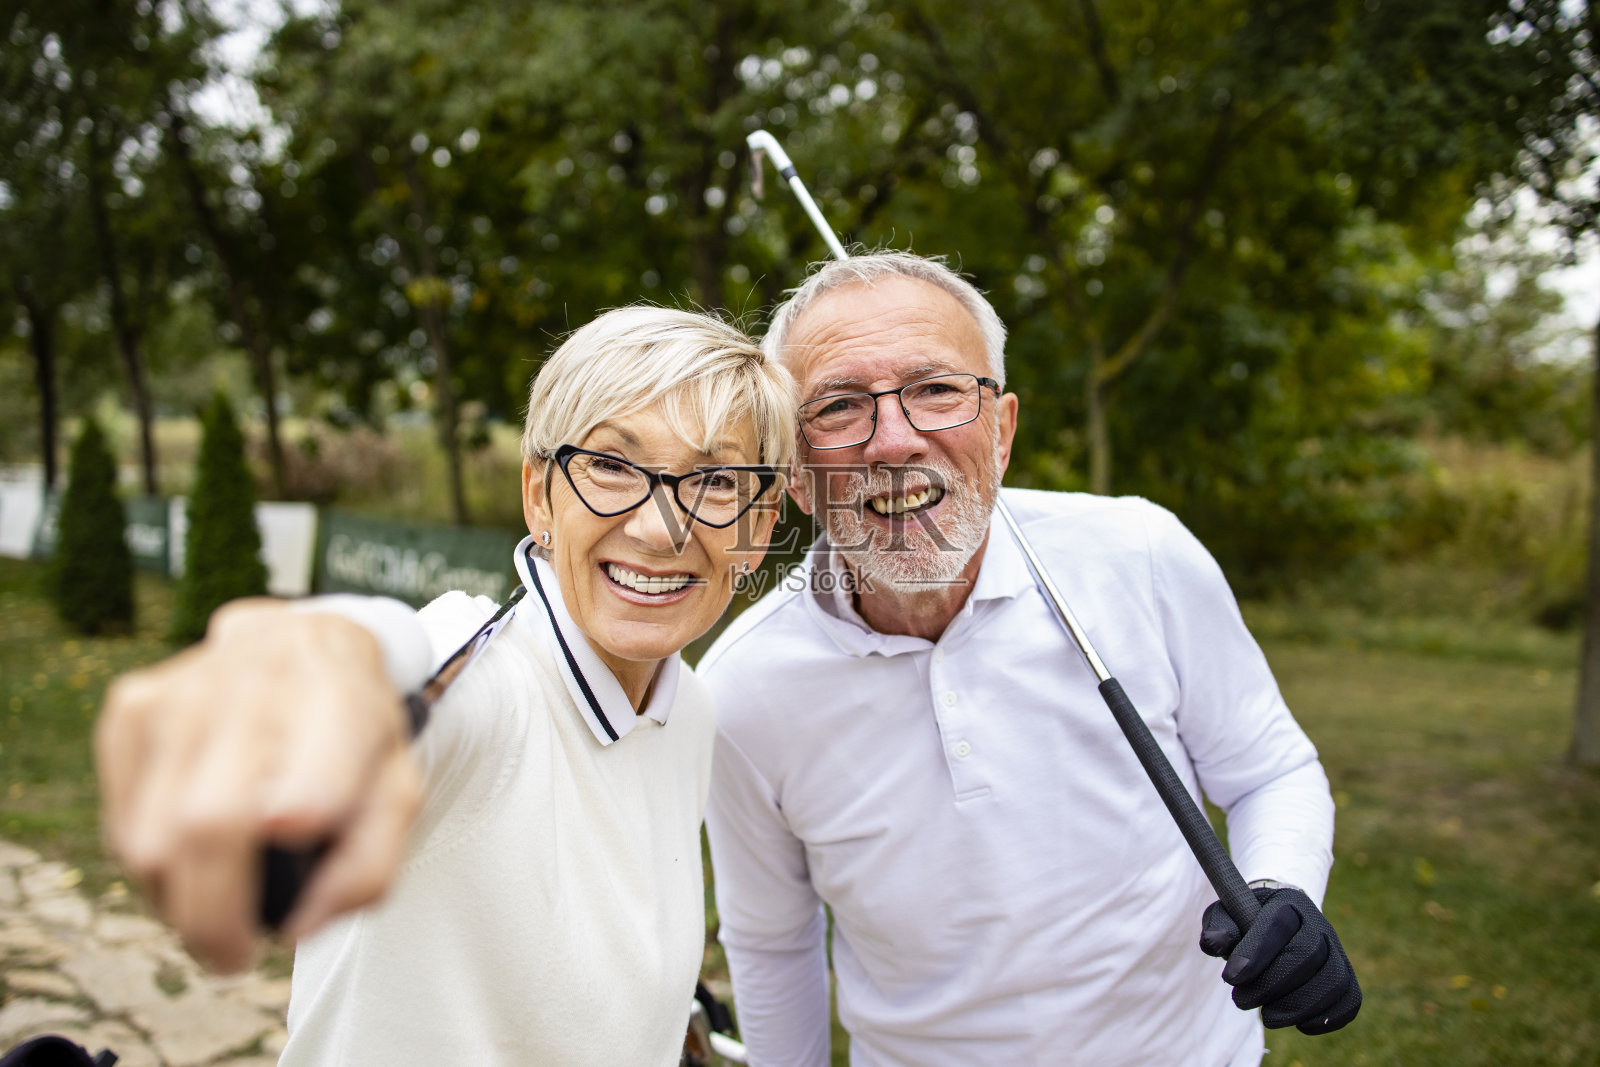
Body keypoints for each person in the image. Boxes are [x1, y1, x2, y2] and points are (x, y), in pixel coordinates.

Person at [699, 252, 1360, 1066]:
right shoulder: (740, 687)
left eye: (936, 389)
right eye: (838, 406)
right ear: (795, 474)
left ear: (1004, 428)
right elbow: (772, 942)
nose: (896, 441)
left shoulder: (1142, 556)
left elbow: (1268, 770)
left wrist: (1281, 890)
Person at [95, 306, 794, 1065]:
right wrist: (301, 688)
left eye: (716, 479)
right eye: (613, 465)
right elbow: (395, 672)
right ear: (539, 497)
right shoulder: (480, 676)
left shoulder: (688, 707)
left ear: (758, 525)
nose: (662, 527)